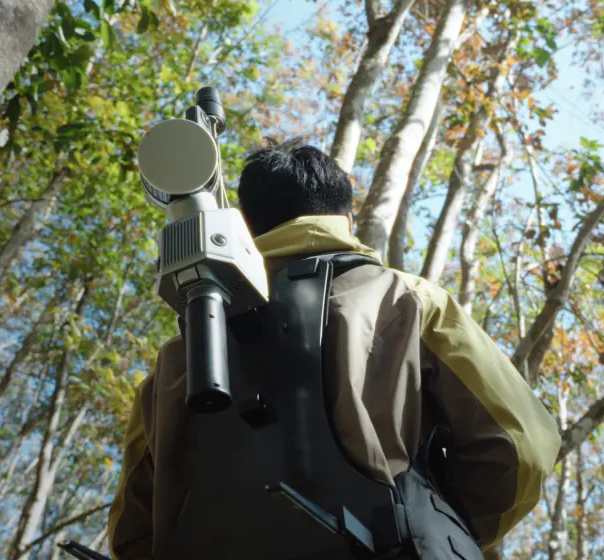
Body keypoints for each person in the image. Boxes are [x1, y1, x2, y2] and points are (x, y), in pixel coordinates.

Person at [107, 139, 561, 559]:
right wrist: (437, 527)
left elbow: (132, 532)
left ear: (248, 225)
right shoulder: (407, 298)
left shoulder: (179, 357)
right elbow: (521, 445)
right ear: (346, 218)